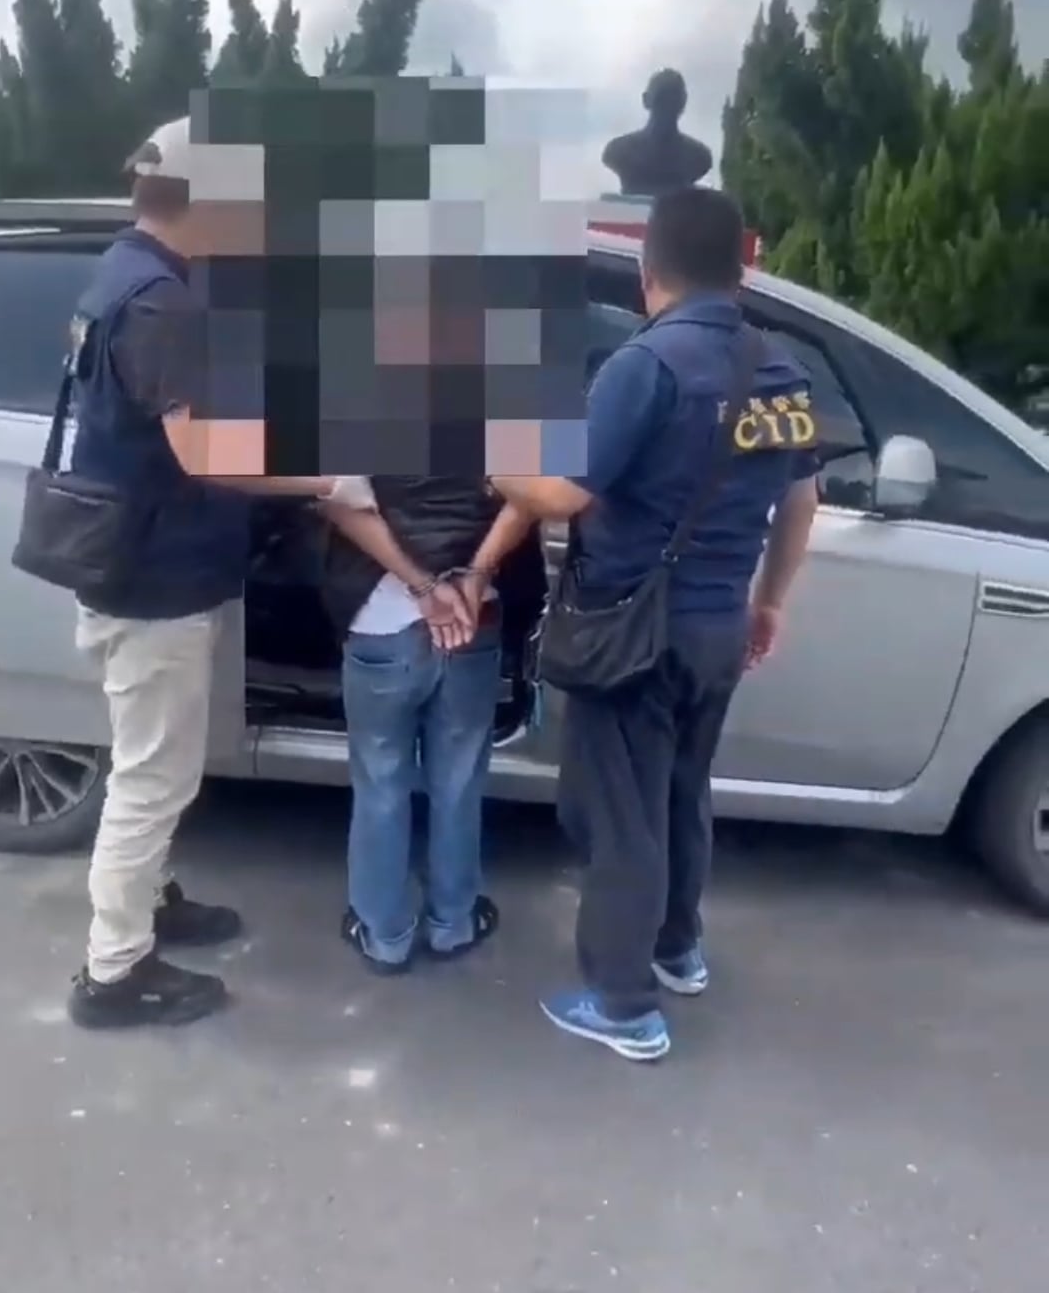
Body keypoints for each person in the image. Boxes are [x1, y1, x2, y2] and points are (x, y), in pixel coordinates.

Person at [493, 188, 819, 1061]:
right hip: (719, 628)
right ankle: (679, 949)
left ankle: (624, 1003)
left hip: (635, 633)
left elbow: (560, 492)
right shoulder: (780, 367)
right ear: (740, 269)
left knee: (620, 814)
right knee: (680, 793)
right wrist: (770, 601)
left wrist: (497, 460)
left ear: (648, 271)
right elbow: (801, 499)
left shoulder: (645, 365)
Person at [65, 118, 339, 1031]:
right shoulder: (159, 303)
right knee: (151, 778)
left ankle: (150, 899)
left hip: (144, 568)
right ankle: (115, 971)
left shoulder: (126, 274)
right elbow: (201, 453)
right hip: (157, 584)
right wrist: (322, 476)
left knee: (157, 766)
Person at [318, 478, 541, 972]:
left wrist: (420, 585)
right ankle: (453, 921)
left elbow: (336, 499)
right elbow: (535, 493)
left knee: (380, 779)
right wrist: (477, 576)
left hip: (376, 614)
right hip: (474, 610)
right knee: (459, 777)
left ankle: (384, 934)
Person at [601, 68, 713, 198]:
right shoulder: (618, 150)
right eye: (662, 100)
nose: (668, 107)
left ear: (682, 103)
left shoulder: (699, 156)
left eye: (673, 100)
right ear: (646, 100)